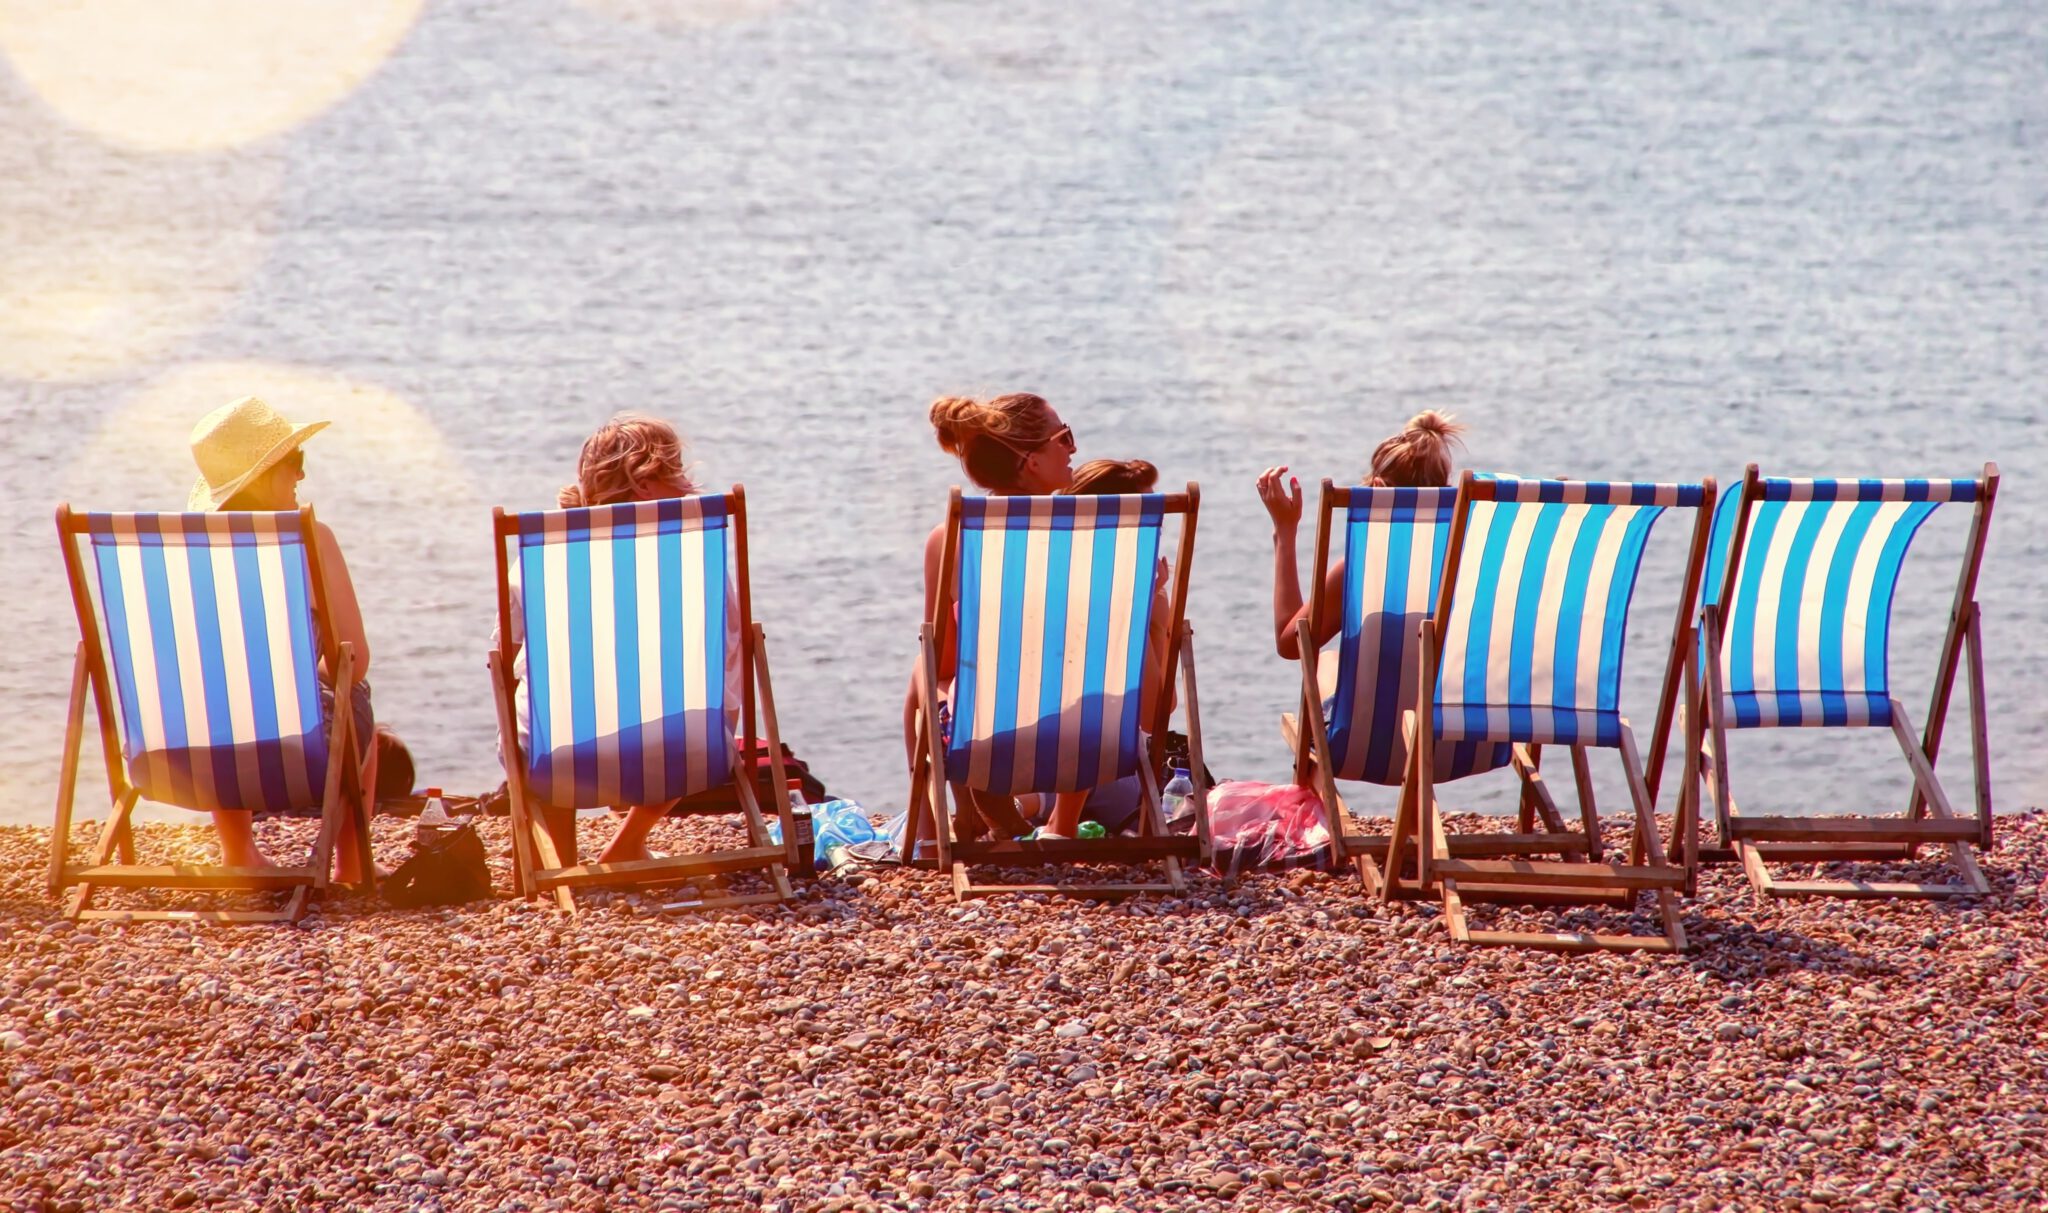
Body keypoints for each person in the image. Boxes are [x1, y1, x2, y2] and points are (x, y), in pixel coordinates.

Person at [493, 414, 735, 865]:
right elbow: (732, 642)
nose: (687, 482)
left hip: (555, 754)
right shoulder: (690, 551)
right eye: (677, 469)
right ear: (645, 482)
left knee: (548, 702)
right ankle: (626, 844)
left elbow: (503, 653)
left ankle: (559, 864)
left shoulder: (547, 553)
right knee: (704, 692)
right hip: (682, 748)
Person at [185, 396, 379, 886]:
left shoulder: (179, 550)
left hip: (180, 750)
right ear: (265, 473)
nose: (301, 476)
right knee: (355, 698)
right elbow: (352, 662)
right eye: (294, 462)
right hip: (294, 754)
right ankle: (351, 868)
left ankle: (239, 852)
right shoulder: (310, 540)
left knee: (216, 694)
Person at [904, 394, 1077, 841]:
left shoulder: (951, 539)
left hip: (986, 733)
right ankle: (1054, 823)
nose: (1074, 449)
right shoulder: (1094, 531)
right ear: (1031, 461)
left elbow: (941, 664)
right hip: (1087, 729)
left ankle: (930, 833)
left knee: (922, 673)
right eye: (1064, 437)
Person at [1255, 409, 1467, 663]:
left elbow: (1291, 645)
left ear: (1377, 490)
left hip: (1374, 703)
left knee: (1328, 663)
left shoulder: (1361, 569)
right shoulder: (1467, 562)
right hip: (1445, 702)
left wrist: (1284, 531)